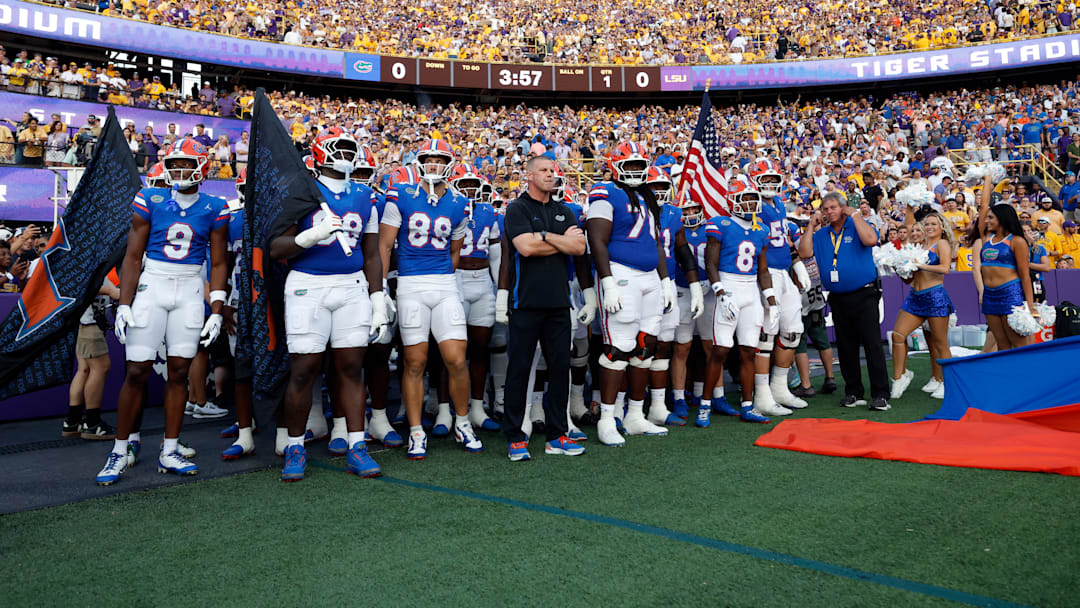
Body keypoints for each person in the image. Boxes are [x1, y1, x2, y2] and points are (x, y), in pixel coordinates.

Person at [96, 139, 229, 485]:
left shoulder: (216, 206)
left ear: (202, 165)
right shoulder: (150, 198)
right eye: (175, 164)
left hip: (187, 288)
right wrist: (124, 303)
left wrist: (216, 308)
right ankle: (120, 448)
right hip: (151, 286)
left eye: (187, 164)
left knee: (179, 371)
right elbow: (133, 256)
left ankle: (169, 449)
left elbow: (217, 262)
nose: (179, 171)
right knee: (137, 370)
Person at [269, 127, 388, 482]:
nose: (346, 155)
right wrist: (311, 235)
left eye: (351, 148)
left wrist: (378, 297)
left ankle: (356, 444)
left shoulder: (366, 195)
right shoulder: (301, 191)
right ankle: (294, 445)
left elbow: (372, 254)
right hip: (308, 284)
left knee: (352, 368)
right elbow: (276, 248)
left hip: (351, 286)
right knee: (304, 370)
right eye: (338, 148)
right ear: (320, 153)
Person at [379, 139, 483, 460]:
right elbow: (384, 246)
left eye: (440, 160)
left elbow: (454, 251)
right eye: (429, 159)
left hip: (444, 283)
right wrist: (382, 288)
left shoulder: (459, 202)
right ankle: (416, 431)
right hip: (410, 284)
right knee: (415, 361)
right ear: (419, 161)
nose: (435, 165)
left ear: (449, 164)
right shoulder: (401, 194)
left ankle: (462, 422)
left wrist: (442, 279)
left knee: (455, 358)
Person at [497, 155, 587, 461]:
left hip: (559, 304)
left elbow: (579, 247)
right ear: (530, 175)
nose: (551, 175)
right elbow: (525, 247)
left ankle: (557, 435)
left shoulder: (565, 210)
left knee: (560, 369)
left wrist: (547, 237)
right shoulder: (517, 208)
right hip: (525, 303)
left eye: (554, 171)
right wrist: (558, 239)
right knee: (520, 369)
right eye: (545, 171)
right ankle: (515, 436)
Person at [585, 142, 675, 446]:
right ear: (615, 165)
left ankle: (636, 415)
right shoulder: (604, 192)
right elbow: (596, 239)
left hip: (650, 275)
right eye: (630, 164)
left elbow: (656, 243)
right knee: (618, 347)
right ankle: (608, 419)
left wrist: (665, 280)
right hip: (621, 273)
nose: (636, 170)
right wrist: (607, 280)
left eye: (640, 164)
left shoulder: (647, 196)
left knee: (647, 345)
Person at [797, 191, 891, 411]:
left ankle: (880, 394)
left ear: (843, 207)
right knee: (846, 346)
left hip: (865, 293)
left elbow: (872, 239)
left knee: (872, 345)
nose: (829, 212)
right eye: (825, 209)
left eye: (833, 207)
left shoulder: (857, 225)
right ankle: (853, 392)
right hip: (838, 297)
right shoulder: (822, 234)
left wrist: (855, 215)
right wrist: (811, 225)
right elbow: (804, 252)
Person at [698, 176, 777, 426]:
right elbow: (710, 263)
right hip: (729, 287)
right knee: (720, 349)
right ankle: (705, 404)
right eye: (746, 198)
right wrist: (720, 291)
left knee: (748, 351)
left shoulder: (761, 229)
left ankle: (747, 405)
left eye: (754, 198)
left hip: (750, 290)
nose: (751, 203)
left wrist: (771, 300)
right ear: (733, 201)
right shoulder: (720, 224)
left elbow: (763, 270)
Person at [449, 163, 501, 432]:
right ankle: (446, 409)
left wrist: (499, 289)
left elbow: (495, 256)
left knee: (481, 348)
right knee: (452, 350)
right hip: (455, 279)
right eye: (464, 184)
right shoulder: (448, 206)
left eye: (473, 184)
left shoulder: (488, 211)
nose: (469, 189)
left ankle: (478, 407)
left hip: (481, 281)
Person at [889, 212, 956, 401]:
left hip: (934, 297)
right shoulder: (920, 246)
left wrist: (920, 264)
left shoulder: (941, 244)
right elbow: (909, 278)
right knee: (898, 335)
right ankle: (900, 377)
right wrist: (899, 267)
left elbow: (945, 269)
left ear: (941, 227)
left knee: (940, 344)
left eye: (934, 224)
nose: (929, 227)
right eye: (927, 224)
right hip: (914, 297)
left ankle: (947, 382)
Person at [977, 175, 1037, 351]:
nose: (987, 220)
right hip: (990, 296)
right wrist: (987, 179)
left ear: (1002, 219)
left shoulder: (1016, 241)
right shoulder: (986, 238)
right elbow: (983, 206)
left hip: (1010, 294)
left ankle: (1024, 377)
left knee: (1017, 344)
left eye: (991, 218)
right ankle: (1007, 378)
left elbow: (1025, 275)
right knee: (1001, 344)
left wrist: (1030, 306)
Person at [65, 275, 121, 439]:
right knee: (100, 367)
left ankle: (73, 421)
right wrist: (111, 291)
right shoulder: (86, 259)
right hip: (89, 324)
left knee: (84, 370)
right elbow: (83, 286)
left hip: (84, 322)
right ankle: (92, 423)